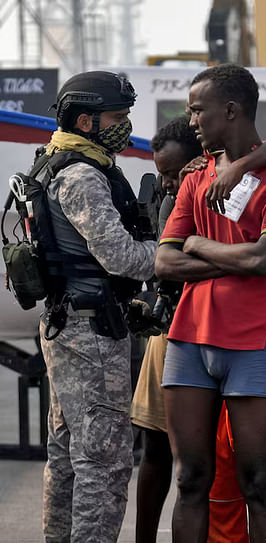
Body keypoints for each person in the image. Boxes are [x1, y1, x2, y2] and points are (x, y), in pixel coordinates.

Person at [154, 64, 266, 542]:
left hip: (256, 344)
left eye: (198, 110)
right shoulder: (195, 177)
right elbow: (164, 262)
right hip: (188, 341)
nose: (192, 120)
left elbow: (265, 259)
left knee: (259, 484)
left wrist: (199, 245)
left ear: (231, 110)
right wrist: (233, 260)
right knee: (190, 480)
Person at [38, 70, 157, 542]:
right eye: (117, 116)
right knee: (103, 464)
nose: (124, 124)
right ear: (87, 122)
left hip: (70, 326)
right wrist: (173, 252)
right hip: (91, 336)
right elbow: (123, 257)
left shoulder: (56, 161)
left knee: (68, 454)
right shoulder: (83, 174)